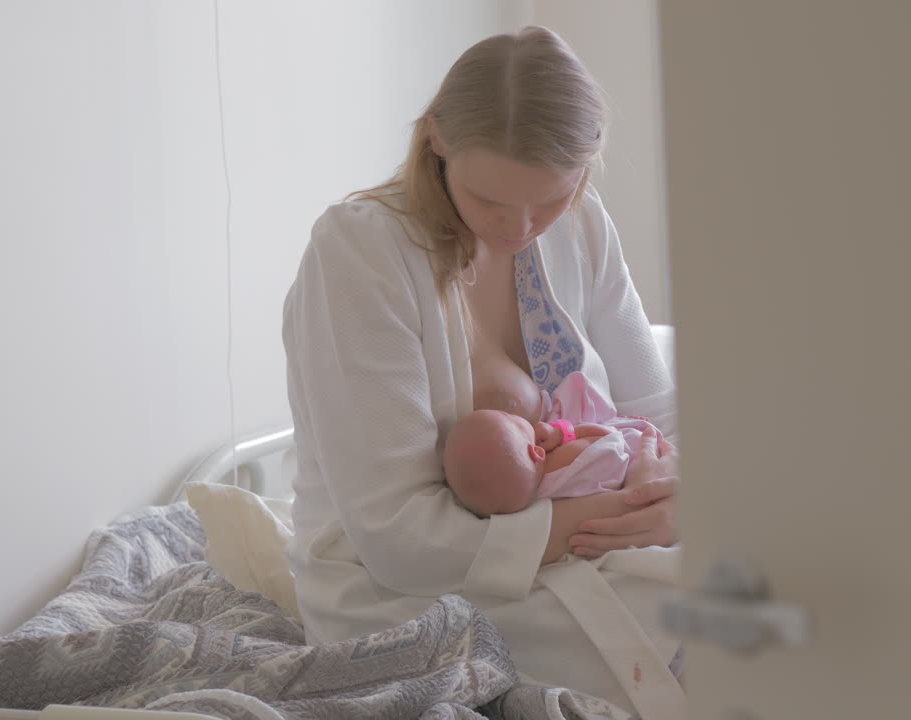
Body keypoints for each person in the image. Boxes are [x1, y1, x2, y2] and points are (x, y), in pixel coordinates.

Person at [281, 26, 682, 712]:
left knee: (766, 569)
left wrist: (671, 490)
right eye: (491, 200)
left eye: (550, 199)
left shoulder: (583, 225)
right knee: (707, 610)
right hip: (400, 584)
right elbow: (394, 534)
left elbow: (658, 409)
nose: (520, 227)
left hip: (573, 541)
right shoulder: (360, 252)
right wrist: (597, 520)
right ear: (436, 137)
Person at [444, 370, 670, 519]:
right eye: (512, 421)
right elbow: (607, 440)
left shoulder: (535, 501)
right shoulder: (565, 460)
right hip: (641, 462)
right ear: (536, 451)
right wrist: (565, 432)